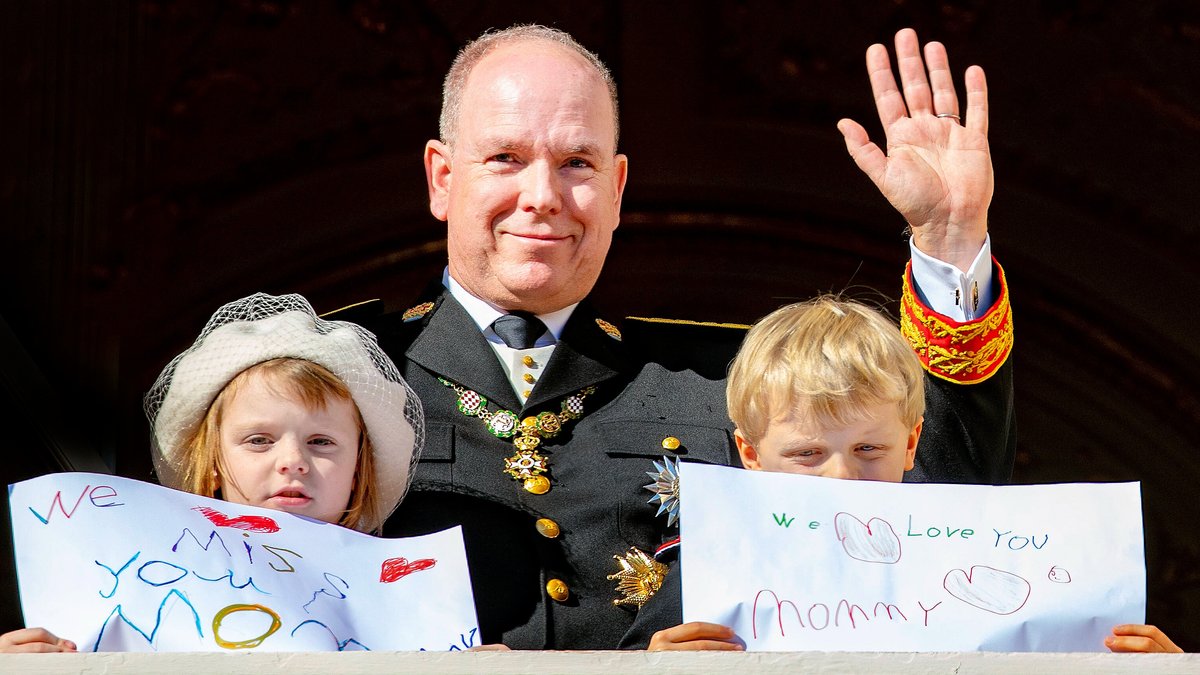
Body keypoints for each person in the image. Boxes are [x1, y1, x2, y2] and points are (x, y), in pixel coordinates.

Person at [346, 24, 1015, 649]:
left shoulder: (729, 381)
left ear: (617, 188)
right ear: (442, 177)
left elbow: (930, 506)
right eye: (505, 157)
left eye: (577, 162)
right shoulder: (338, 376)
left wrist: (949, 240)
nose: (543, 194)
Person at [643, 297, 1180, 654]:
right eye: (807, 454)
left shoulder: (976, 553)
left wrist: (1165, 671)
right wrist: (644, 669)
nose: (842, 478)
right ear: (750, 453)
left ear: (912, 442)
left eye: (869, 448)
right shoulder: (701, 581)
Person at [0, 292, 423, 653]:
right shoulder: (128, 583)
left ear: (357, 471)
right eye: (259, 440)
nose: (292, 460)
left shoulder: (409, 602)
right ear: (214, 464)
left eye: (321, 442)